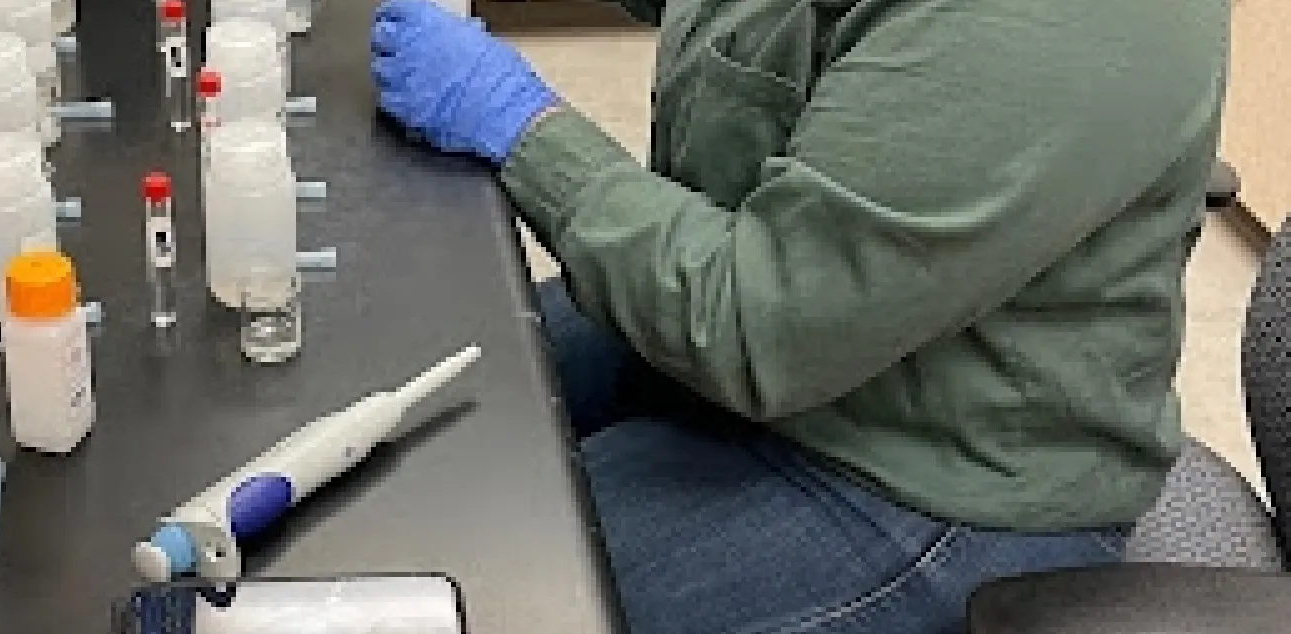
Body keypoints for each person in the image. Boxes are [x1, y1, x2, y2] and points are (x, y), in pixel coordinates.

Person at [371, 0, 1229, 631]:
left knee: (452, 581)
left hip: (921, 468)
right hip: (758, 312)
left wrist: (524, 129)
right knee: (389, 395)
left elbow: (758, 327)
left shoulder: (1054, 23)